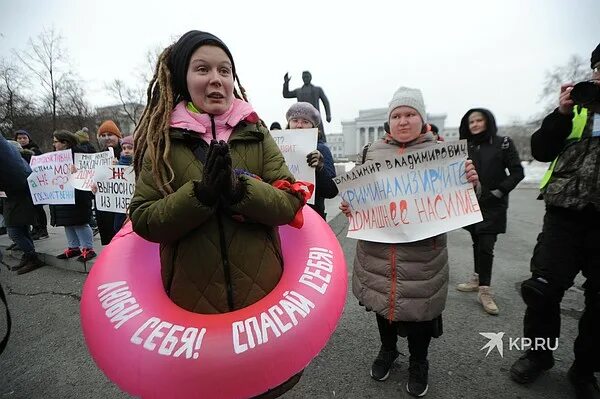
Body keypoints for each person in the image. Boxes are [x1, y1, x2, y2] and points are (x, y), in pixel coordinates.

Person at [129, 30, 307, 398]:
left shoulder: (256, 132)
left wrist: (240, 190)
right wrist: (201, 195)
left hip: (263, 302)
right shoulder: (163, 141)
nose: (216, 79)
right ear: (182, 78)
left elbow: (289, 203)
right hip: (192, 307)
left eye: (225, 70)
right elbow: (144, 218)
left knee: (265, 388)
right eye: (202, 69)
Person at [340, 87, 479, 397]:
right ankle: (388, 351)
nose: (403, 121)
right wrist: (352, 207)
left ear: (423, 119)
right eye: (396, 116)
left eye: (410, 114)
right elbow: (359, 198)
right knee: (382, 308)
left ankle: (419, 361)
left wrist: (471, 184)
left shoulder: (443, 154)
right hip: (377, 254)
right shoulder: (371, 152)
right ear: (389, 121)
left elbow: (465, 203)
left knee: (420, 314)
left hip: (422, 257)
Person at [509, 43, 600, 399]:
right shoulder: (577, 106)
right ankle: (538, 354)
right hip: (564, 212)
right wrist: (561, 112)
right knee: (543, 290)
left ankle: (584, 370)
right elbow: (542, 150)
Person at [455, 108, 524, 315]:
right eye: (471, 122)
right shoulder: (465, 147)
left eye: (479, 120)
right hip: (471, 203)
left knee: (486, 245)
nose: (475, 124)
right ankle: (477, 278)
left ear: (488, 122)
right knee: (477, 241)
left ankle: (485, 290)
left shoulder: (502, 143)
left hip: (493, 204)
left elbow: (517, 171)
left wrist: (499, 191)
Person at [285, 102, 338, 219]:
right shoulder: (277, 148)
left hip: (312, 217)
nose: (299, 125)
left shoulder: (321, 149)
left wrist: (320, 168)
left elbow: (331, 191)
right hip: (284, 215)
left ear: (313, 126)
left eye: (305, 121)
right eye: (295, 120)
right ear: (288, 124)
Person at [0, 135, 44, 275]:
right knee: (21, 229)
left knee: (14, 231)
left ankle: (32, 257)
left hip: (16, 192)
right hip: (14, 192)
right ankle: (29, 255)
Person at [50, 130, 96, 263]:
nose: (54, 144)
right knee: (67, 223)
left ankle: (88, 248)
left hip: (78, 196)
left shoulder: (81, 155)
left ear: (65, 142)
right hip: (63, 195)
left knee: (80, 222)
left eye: (56, 141)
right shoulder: (56, 157)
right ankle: (73, 247)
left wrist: (78, 171)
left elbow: (90, 172)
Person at [14, 129, 49, 240]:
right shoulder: (14, 151)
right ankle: (35, 228)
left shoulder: (35, 150)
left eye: (24, 138)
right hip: (23, 184)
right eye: (19, 138)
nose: (22, 140)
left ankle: (43, 229)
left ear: (29, 139)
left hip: (35, 183)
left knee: (37, 208)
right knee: (30, 208)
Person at [95, 120, 122, 245]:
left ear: (118, 136)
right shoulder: (98, 156)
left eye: (110, 134)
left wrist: (120, 166)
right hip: (105, 205)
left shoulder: (126, 151)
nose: (107, 138)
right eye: (103, 135)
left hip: (121, 206)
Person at [112, 135, 134, 232]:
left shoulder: (139, 164)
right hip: (120, 206)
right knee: (118, 227)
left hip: (133, 205)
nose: (126, 150)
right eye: (124, 148)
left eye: (130, 148)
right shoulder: (116, 165)